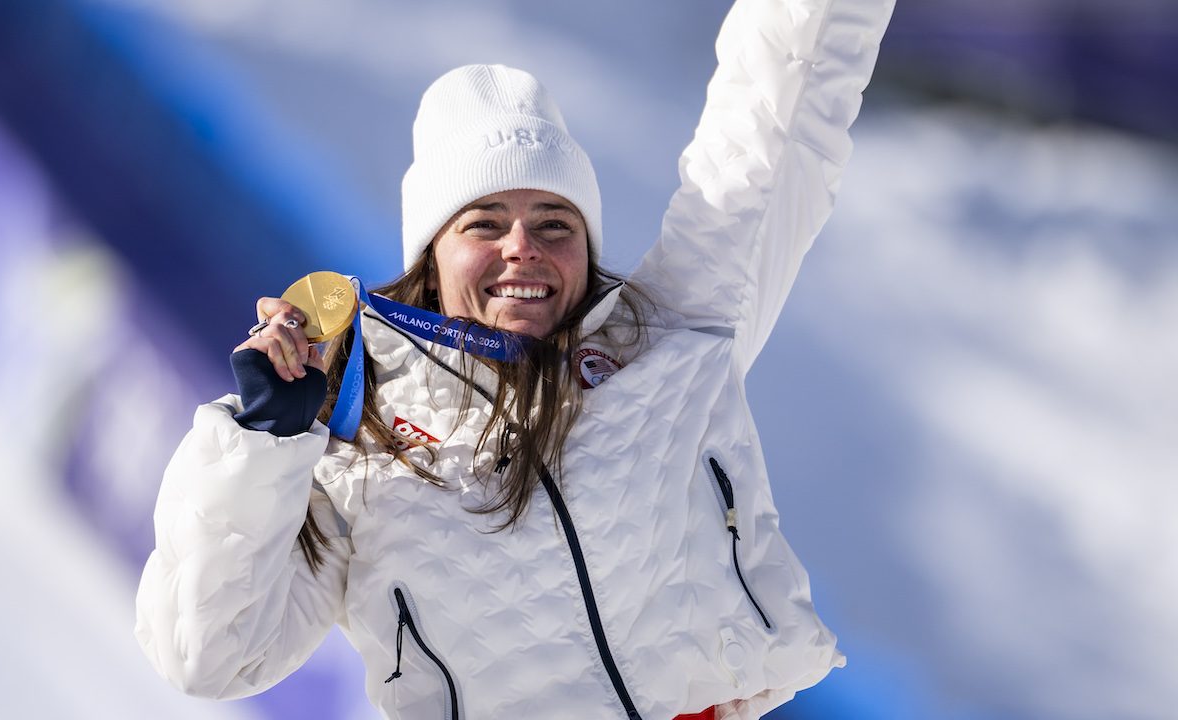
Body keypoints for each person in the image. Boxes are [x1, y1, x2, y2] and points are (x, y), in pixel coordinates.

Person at [135, 0, 896, 718]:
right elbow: (208, 655)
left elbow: (777, 114)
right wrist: (264, 440)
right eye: (485, 221)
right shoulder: (363, 449)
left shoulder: (671, 335)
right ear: (432, 255)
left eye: (555, 221)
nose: (522, 248)